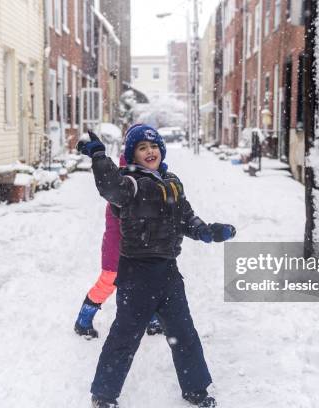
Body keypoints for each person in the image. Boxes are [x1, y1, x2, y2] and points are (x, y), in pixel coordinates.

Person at [77, 124, 236, 408]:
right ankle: (103, 394)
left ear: (161, 150)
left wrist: (208, 231)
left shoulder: (172, 181)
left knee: (184, 334)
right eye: (141, 148)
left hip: (168, 273)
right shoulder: (130, 183)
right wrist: (99, 157)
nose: (149, 151)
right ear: (132, 155)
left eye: (153, 146)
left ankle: (195, 389)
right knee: (124, 337)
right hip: (137, 273)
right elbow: (111, 188)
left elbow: (186, 218)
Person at [74, 155, 163, 339]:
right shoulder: (123, 193)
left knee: (147, 283)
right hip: (117, 251)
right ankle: (83, 319)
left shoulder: (142, 187)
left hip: (138, 250)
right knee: (108, 282)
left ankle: (153, 319)